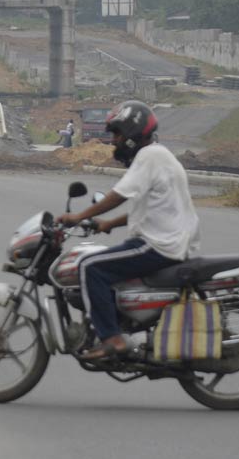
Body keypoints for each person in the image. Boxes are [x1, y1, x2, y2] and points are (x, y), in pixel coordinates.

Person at [56, 101, 201, 361]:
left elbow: (119, 195)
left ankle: (112, 339)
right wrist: (109, 224)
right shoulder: (159, 156)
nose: (114, 141)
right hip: (169, 241)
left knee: (90, 266)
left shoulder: (150, 156)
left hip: (158, 245)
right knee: (104, 264)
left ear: (132, 134)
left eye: (117, 134)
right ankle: (122, 324)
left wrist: (78, 216)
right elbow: (148, 209)